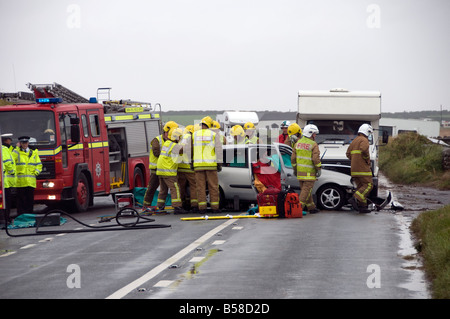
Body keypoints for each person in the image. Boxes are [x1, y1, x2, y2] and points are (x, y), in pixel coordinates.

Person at [143, 121, 178, 207]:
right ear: (166, 132)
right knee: (151, 188)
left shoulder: (171, 142)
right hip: (156, 169)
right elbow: (156, 153)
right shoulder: (157, 140)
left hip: (166, 169)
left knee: (163, 189)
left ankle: (160, 206)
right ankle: (146, 206)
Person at [192, 116, 223, 214]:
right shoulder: (213, 135)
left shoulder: (194, 134)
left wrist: (191, 163)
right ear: (209, 125)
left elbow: (190, 150)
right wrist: (219, 163)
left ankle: (202, 208)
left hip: (198, 166)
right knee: (213, 186)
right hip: (210, 165)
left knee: (200, 187)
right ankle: (215, 207)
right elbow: (219, 150)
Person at [156, 127, 187, 214]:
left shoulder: (167, 143)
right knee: (175, 188)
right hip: (168, 171)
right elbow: (183, 150)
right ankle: (177, 207)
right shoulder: (173, 145)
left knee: (163, 190)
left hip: (161, 170)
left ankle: (160, 206)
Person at [291, 124, 321, 214]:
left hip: (300, 173)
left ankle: (311, 207)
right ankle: (297, 208)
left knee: (306, 190)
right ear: (310, 133)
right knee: (305, 192)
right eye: (314, 134)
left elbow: (293, 159)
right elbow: (316, 159)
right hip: (309, 173)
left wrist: (295, 169)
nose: (315, 136)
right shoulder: (313, 144)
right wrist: (319, 168)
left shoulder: (297, 143)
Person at [346, 124, 374, 214]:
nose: (369, 135)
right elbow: (364, 150)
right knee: (369, 185)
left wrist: (355, 159)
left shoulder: (354, 140)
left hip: (354, 169)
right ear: (366, 132)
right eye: (369, 133)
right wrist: (366, 160)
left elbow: (347, 153)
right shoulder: (364, 140)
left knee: (361, 187)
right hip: (363, 169)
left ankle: (363, 207)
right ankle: (355, 198)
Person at [12, 136, 42, 215]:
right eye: (22, 143)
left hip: (30, 182)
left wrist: (36, 172)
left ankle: (30, 216)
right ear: (20, 144)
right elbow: (12, 159)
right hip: (20, 182)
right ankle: (21, 216)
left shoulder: (33, 153)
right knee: (20, 201)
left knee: (30, 200)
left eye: (26, 143)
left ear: (28, 143)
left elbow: (39, 165)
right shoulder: (17, 152)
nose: (24, 144)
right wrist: (17, 148)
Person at [177, 125, 199, 213]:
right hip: (189, 167)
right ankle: (194, 205)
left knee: (181, 187)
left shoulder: (182, 138)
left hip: (180, 167)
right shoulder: (191, 138)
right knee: (194, 186)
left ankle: (181, 204)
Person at [1, 134, 16, 224]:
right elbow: (8, 162)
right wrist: (12, 172)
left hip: (4, 181)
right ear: (6, 141)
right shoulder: (4, 149)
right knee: (6, 202)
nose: (11, 141)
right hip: (5, 182)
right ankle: (6, 219)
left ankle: (5, 219)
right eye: (10, 140)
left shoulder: (5, 149)